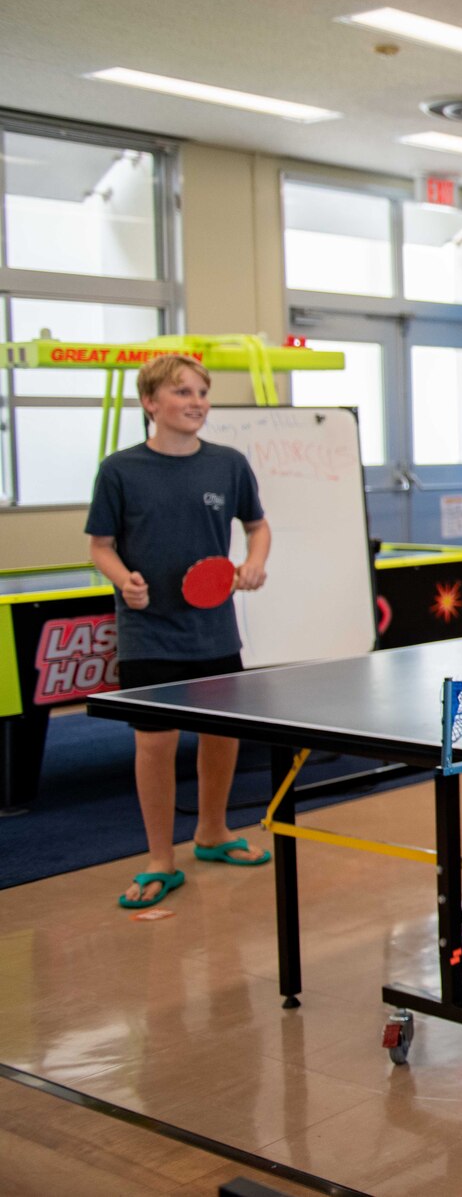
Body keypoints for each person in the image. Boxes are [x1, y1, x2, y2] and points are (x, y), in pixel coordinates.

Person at [86, 354, 273, 909]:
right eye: (182, 393)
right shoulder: (120, 470)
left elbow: (257, 526)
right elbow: (100, 545)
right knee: (155, 744)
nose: (196, 402)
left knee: (221, 736)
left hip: (214, 631)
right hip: (148, 632)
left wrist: (254, 562)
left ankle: (212, 832)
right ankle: (160, 859)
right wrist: (124, 581)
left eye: (201, 393)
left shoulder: (228, 464)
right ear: (151, 403)